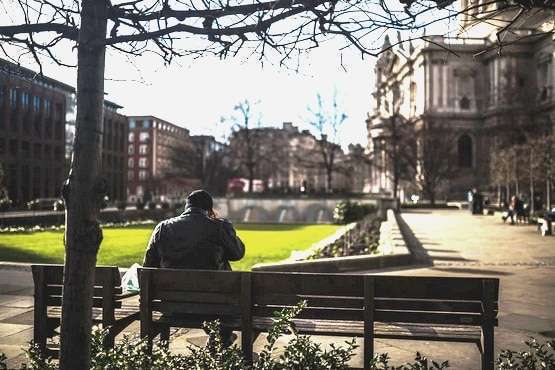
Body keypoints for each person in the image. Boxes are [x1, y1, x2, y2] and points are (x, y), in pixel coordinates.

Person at [143, 189, 245, 346]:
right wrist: (222, 226)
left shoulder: (162, 228)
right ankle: (220, 338)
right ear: (209, 210)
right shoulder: (218, 227)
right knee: (231, 294)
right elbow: (237, 253)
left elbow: (148, 267)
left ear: (186, 207)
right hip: (215, 306)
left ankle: (218, 338)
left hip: (172, 304)